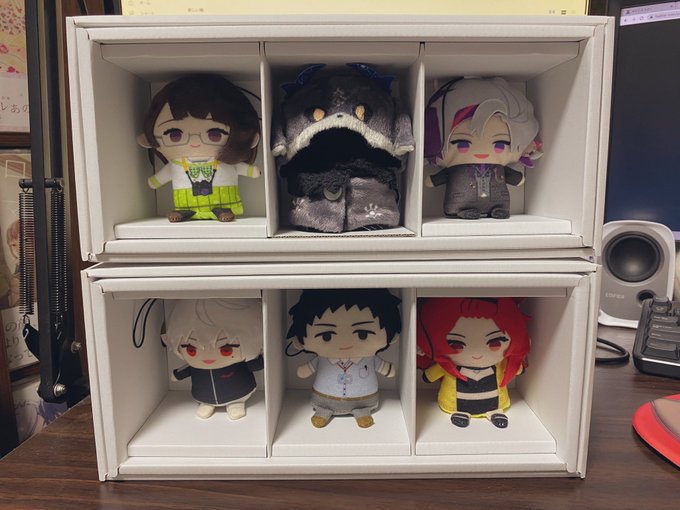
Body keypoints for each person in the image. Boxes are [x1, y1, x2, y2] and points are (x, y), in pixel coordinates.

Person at [138, 74, 261, 222]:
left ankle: (222, 211)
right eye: (174, 135)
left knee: (222, 209)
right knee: (184, 210)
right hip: (186, 205)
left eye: (215, 134)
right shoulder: (175, 165)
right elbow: (158, 180)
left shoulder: (226, 162)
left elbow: (241, 168)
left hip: (221, 204)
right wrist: (154, 182)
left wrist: (252, 171)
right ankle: (183, 213)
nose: (194, 143)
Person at [425, 77, 541, 219]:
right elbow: (441, 177)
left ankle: (497, 209)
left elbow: (514, 177)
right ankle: (463, 209)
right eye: (462, 145)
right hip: (460, 202)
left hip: (497, 202)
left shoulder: (497, 168)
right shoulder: (454, 168)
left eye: (500, 145)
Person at [287, 288, 401, 428]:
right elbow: (306, 370)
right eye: (326, 336)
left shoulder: (369, 358)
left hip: (364, 400)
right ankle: (323, 410)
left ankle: (362, 410)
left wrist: (388, 369)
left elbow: (386, 369)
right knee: (323, 407)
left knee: (363, 408)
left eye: (363, 335)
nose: (345, 343)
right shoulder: (322, 359)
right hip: (324, 399)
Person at [417, 297, 530, 428]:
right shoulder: (448, 365)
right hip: (457, 405)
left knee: (494, 407)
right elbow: (430, 375)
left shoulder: (501, 364)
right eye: (457, 345)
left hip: (493, 404)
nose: (477, 354)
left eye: (495, 343)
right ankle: (461, 413)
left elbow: (428, 376)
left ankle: (495, 412)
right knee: (460, 408)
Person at [163, 298, 264, 420]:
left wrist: (262, 360)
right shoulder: (195, 366)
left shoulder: (239, 363)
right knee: (205, 402)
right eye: (191, 350)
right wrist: (177, 375)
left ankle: (236, 403)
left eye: (226, 350)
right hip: (203, 395)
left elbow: (256, 365)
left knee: (236, 401)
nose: (207, 357)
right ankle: (207, 404)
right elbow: (185, 370)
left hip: (239, 392)